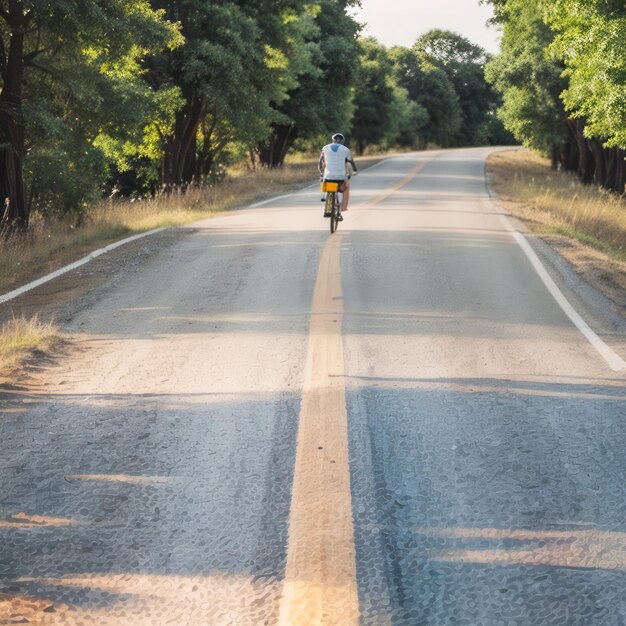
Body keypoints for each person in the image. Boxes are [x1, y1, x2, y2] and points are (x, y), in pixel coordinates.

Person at [319, 133, 358, 218]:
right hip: (341, 176)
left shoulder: (325, 148)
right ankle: (342, 209)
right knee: (346, 188)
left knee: (327, 187)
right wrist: (355, 171)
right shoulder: (346, 150)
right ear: (342, 141)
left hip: (328, 176)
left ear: (332, 140)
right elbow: (351, 162)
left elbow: (320, 163)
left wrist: (321, 173)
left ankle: (328, 207)